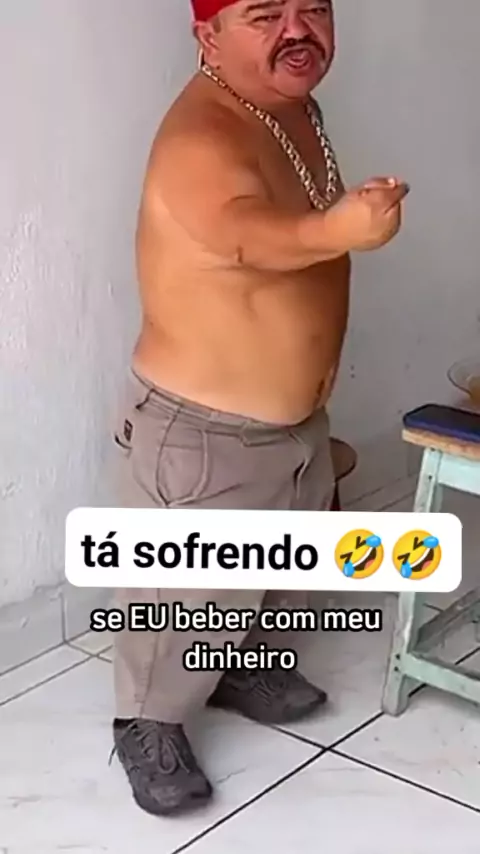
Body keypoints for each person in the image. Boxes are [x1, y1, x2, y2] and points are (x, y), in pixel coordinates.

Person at [111, 0, 409, 817]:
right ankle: (147, 724)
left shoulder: (288, 107)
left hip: (291, 426)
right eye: (266, 15)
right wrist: (341, 228)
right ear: (208, 35)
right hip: (204, 432)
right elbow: (246, 236)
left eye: (314, 9)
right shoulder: (199, 139)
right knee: (189, 596)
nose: (298, 31)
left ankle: (238, 666)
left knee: (278, 568)